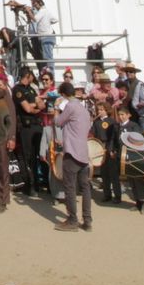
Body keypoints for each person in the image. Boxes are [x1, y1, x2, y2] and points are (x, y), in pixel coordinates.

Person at [51, 81, 93, 232]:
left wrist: (56, 108)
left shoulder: (70, 106)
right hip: (83, 151)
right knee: (85, 187)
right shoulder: (83, 108)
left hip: (72, 151)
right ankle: (87, 220)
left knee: (70, 186)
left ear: (63, 94)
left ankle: (72, 220)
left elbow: (57, 121)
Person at [11, 68, 45, 198]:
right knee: (27, 157)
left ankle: (37, 183)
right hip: (26, 127)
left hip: (37, 125)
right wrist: (34, 106)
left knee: (37, 156)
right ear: (28, 75)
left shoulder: (31, 89)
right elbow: (27, 109)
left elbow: (41, 105)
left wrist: (34, 106)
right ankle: (28, 185)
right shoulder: (18, 89)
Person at [28, 0, 57, 75]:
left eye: (35, 3)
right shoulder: (46, 11)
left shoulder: (42, 11)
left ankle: (51, 74)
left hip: (46, 36)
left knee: (47, 56)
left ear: (40, 3)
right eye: (33, 4)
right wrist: (47, 24)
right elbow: (54, 20)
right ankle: (50, 72)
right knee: (47, 55)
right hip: (48, 36)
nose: (34, 5)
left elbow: (34, 19)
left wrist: (29, 12)